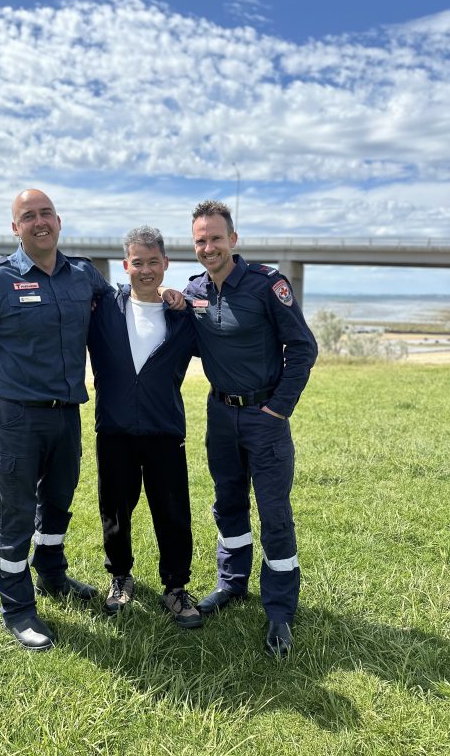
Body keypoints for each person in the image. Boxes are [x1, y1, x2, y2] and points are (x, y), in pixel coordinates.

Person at [0, 189, 112, 651]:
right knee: (15, 513)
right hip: (17, 418)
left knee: (58, 504)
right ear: (15, 228)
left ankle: (53, 576)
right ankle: (18, 609)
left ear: (59, 221)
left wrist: (167, 293)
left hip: (67, 416)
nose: (39, 222)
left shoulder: (83, 274)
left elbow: (121, 307)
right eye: (28, 216)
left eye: (46, 214)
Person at [185, 200, 318, 656]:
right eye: (200, 240)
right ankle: (232, 583)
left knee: (274, 513)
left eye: (215, 238)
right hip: (220, 415)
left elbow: (302, 347)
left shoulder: (267, 284)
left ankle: (280, 610)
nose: (208, 247)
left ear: (233, 240)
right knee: (227, 504)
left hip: (265, 418)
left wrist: (280, 408)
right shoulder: (194, 291)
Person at [87, 226, 202, 628]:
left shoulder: (183, 317)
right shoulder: (102, 309)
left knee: (172, 513)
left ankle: (175, 588)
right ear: (126, 265)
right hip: (114, 431)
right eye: (138, 262)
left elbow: (225, 333)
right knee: (115, 512)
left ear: (166, 264)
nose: (146, 270)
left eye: (154, 262)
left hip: (164, 431)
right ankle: (120, 577)